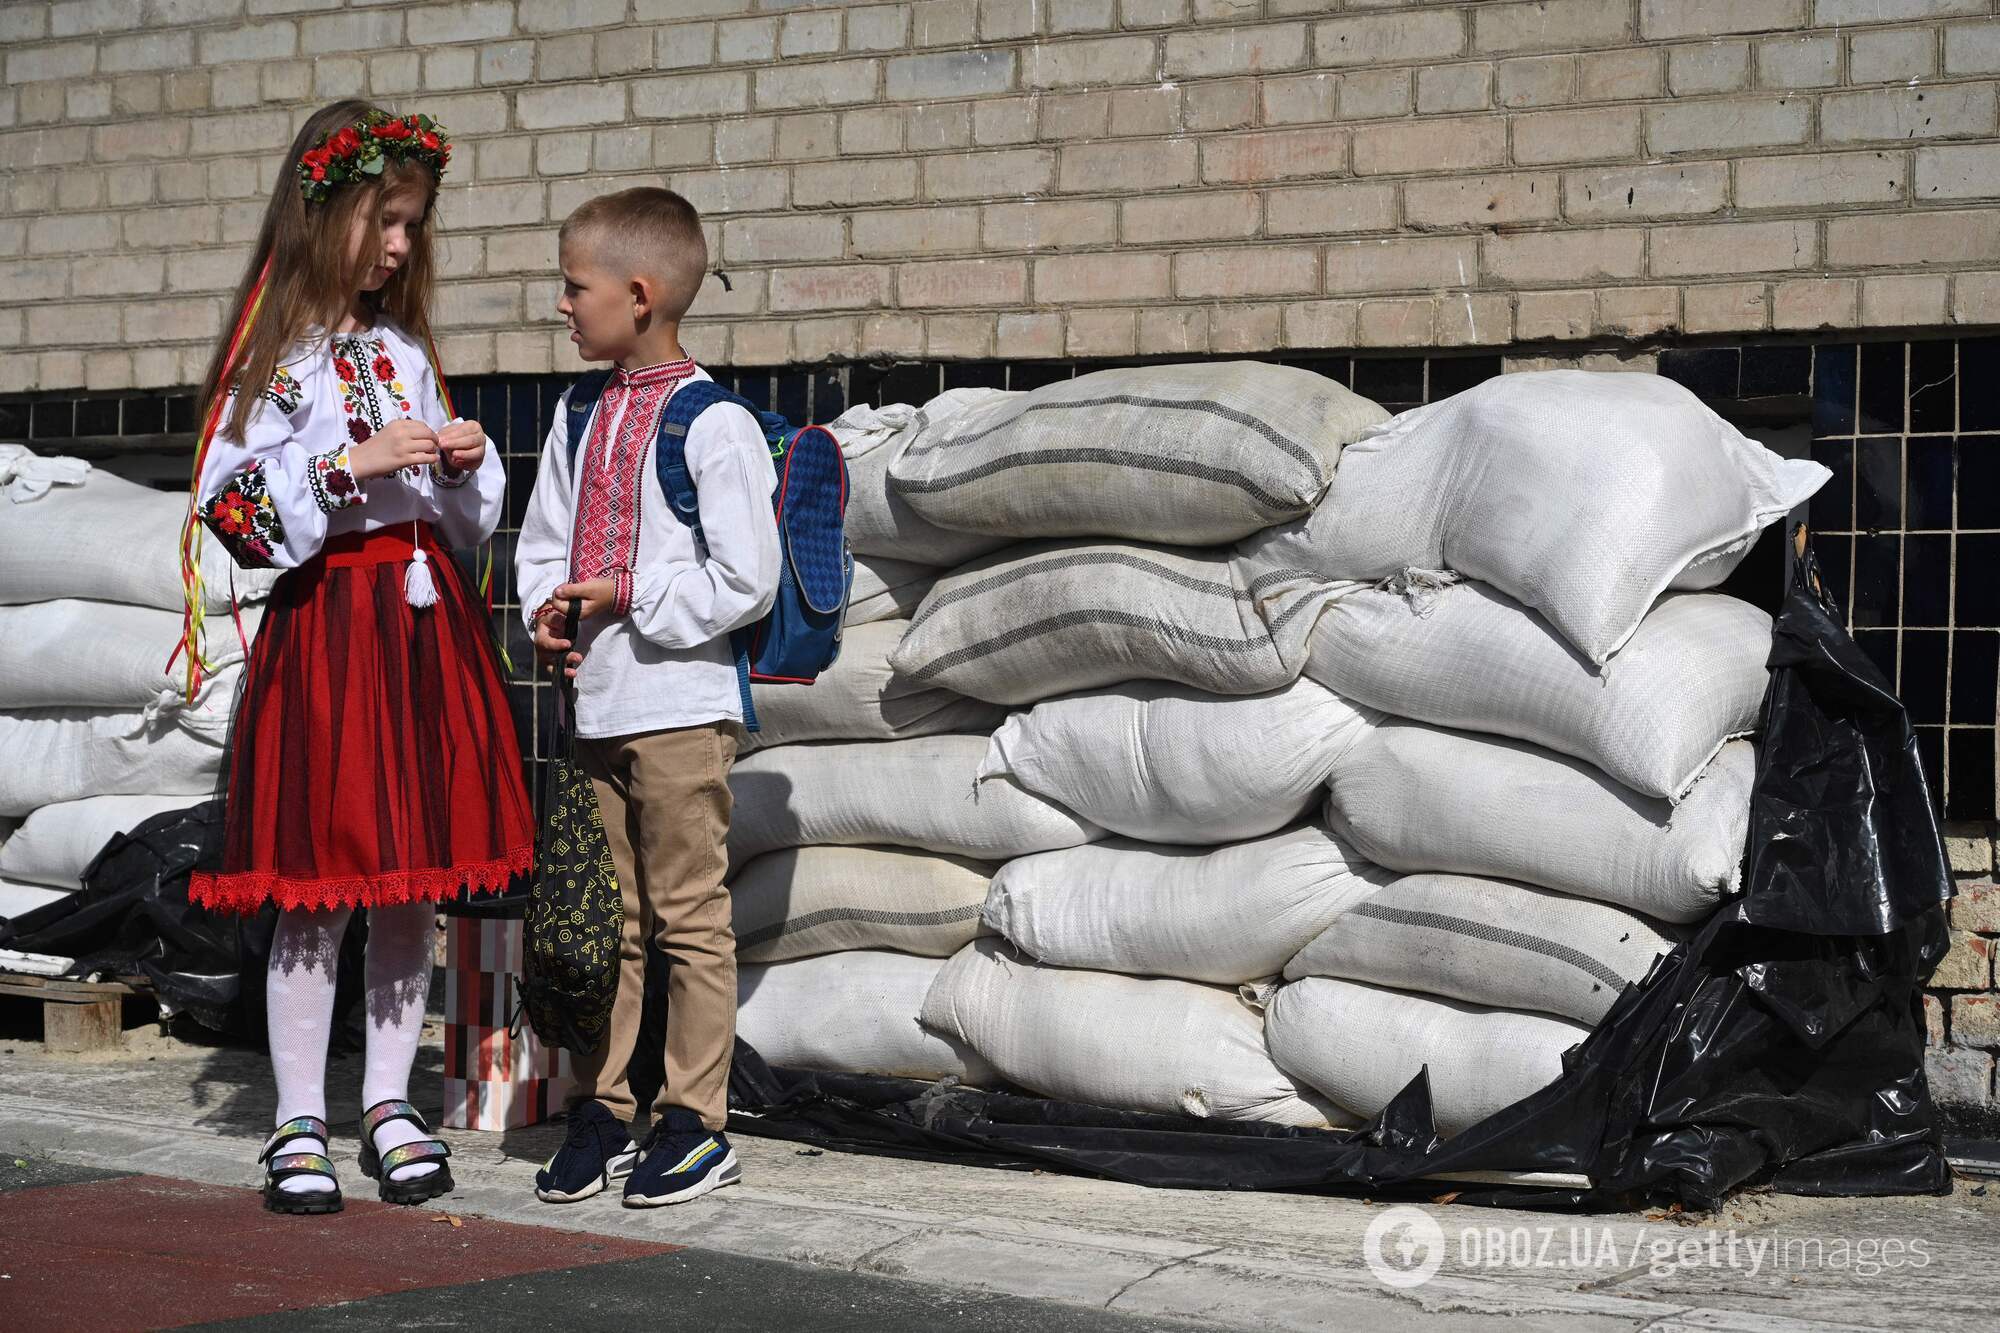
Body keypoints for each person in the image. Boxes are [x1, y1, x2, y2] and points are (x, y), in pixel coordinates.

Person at [182, 99, 534, 1215]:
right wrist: (349, 464)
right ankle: (297, 1114)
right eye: (386, 220)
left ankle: (388, 1100)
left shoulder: (402, 349)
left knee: (408, 882)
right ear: (324, 209)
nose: (400, 246)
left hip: (425, 631)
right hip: (332, 629)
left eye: (413, 226)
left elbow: (464, 521)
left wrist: (465, 462)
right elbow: (230, 516)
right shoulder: (270, 356)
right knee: (321, 880)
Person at [514, 186, 780, 1208]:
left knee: (687, 919)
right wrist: (548, 606)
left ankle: (694, 1120)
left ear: (638, 295)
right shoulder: (578, 412)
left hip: (679, 706)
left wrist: (626, 592)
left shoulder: (711, 424)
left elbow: (742, 578)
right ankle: (606, 1104)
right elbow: (544, 540)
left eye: (573, 287)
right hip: (599, 707)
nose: (560, 305)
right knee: (609, 921)